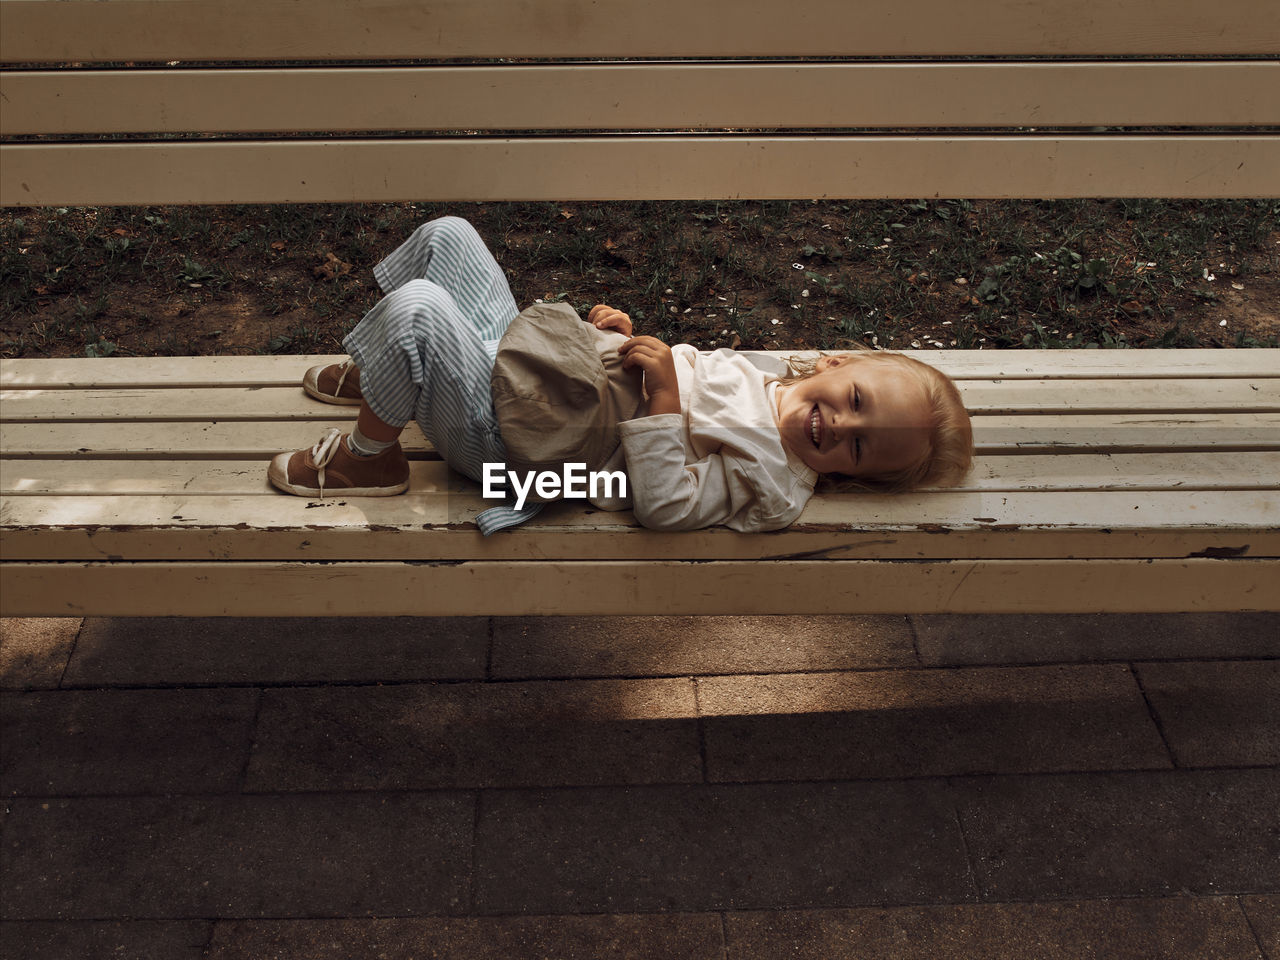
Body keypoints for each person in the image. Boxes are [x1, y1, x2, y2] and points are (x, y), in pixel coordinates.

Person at [268, 216, 973, 534]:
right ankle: (395, 378)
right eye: (854, 401)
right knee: (449, 236)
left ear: (849, 476)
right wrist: (616, 342)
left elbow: (665, 504)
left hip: (524, 449)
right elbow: (660, 378)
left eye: (858, 445)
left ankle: (372, 454)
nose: (839, 424)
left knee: (420, 311)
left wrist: (662, 395)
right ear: (836, 363)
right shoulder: (772, 375)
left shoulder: (773, 477)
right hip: (537, 377)